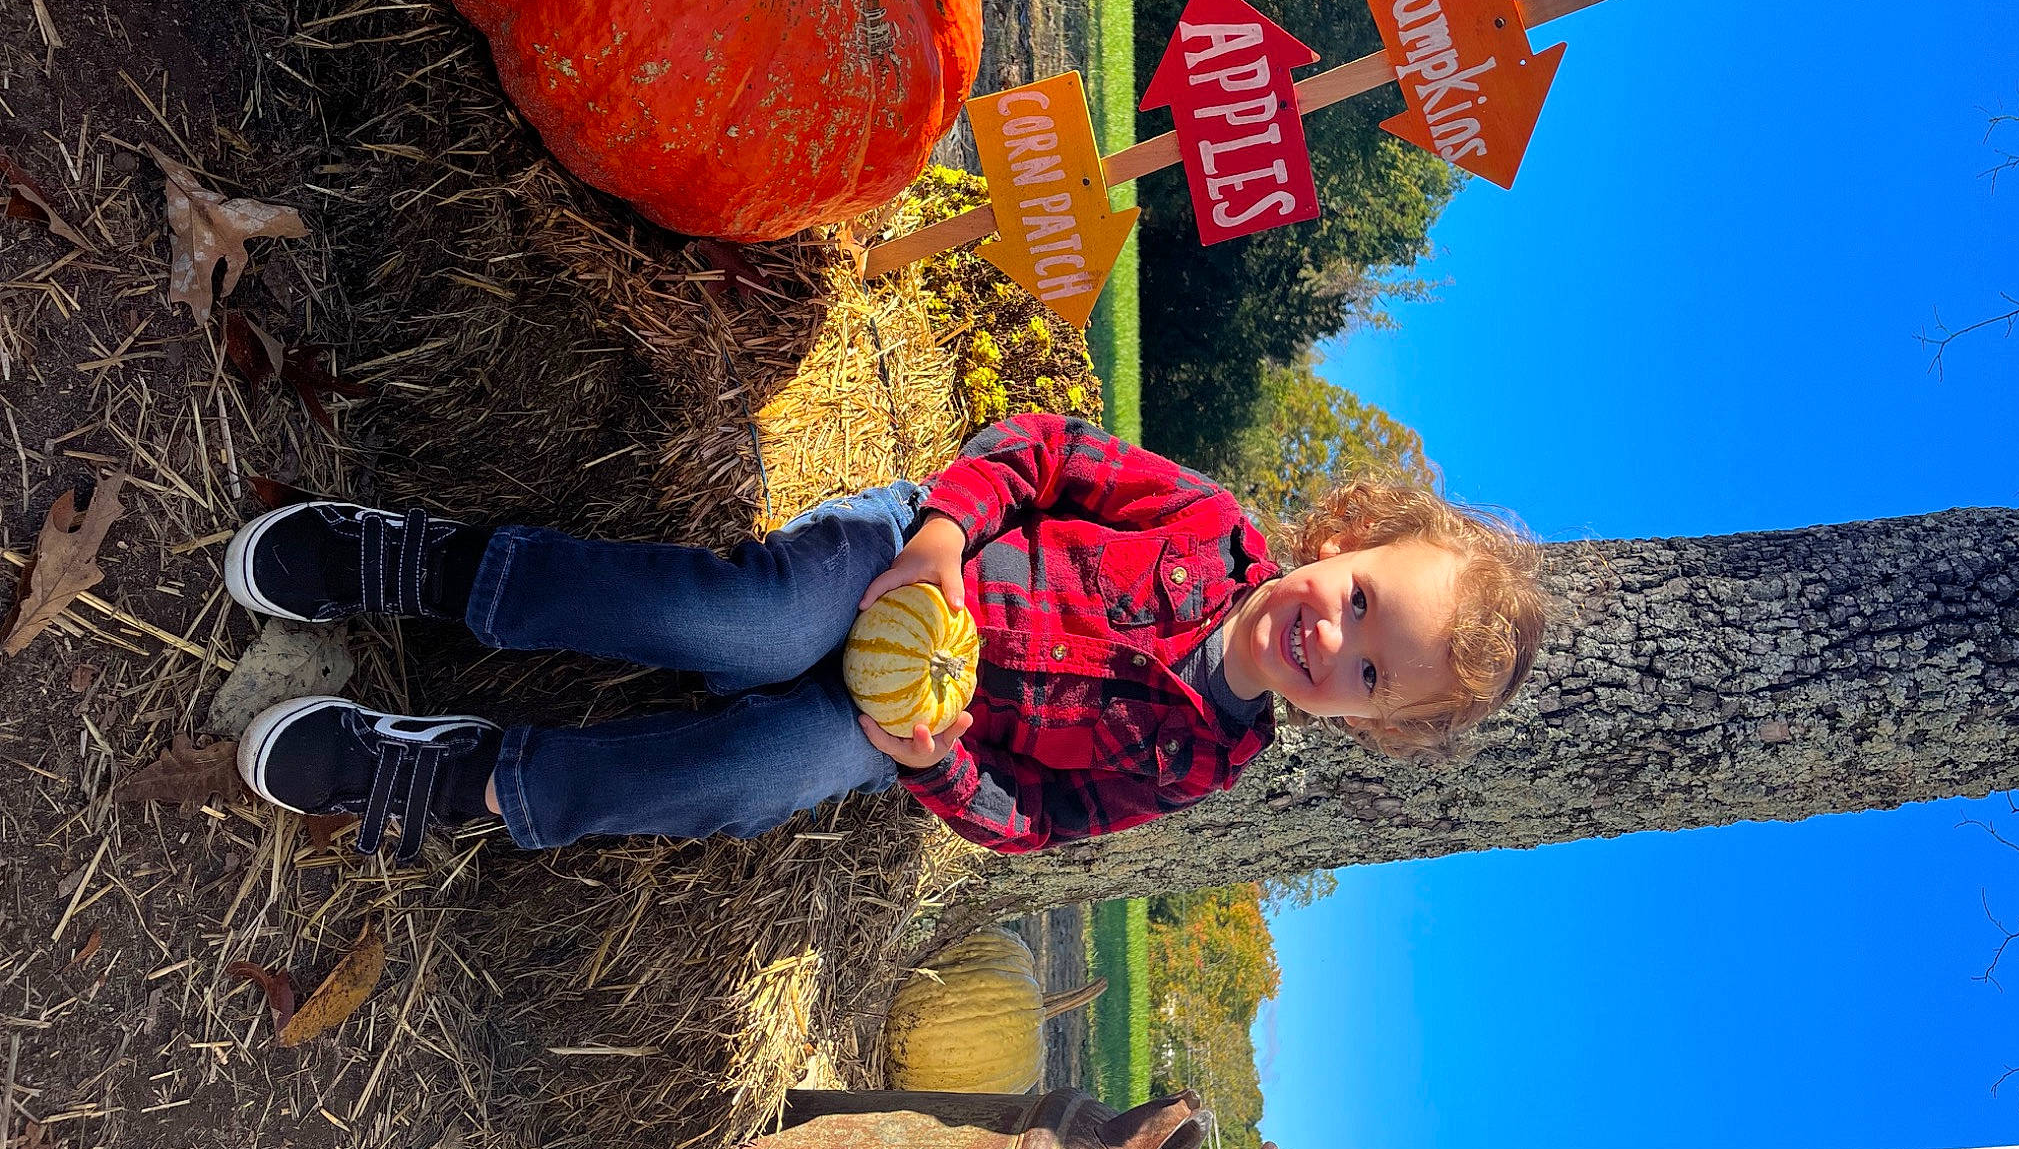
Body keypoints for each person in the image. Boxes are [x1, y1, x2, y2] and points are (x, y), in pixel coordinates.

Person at [224, 413, 1546, 861]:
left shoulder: (1200, 768)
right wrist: (936, 544)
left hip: (900, 724)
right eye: (1367, 598)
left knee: (748, 781)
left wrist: (930, 757)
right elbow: (1035, 451)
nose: (1337, 637)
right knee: (739, 616)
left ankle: (470, 773)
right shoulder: (1199, 523)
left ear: (1364, 723)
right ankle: (431, 565)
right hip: (902, 568)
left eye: (1373, 675)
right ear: (1345, 541)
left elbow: (1033, 818)